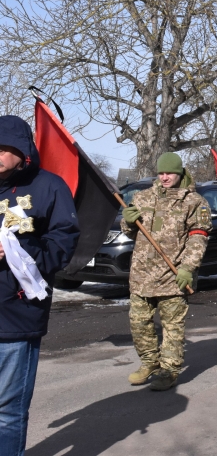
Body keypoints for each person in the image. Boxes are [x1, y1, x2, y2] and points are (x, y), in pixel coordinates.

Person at [0, 116, 80, 454]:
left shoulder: (49, 186)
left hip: (17, 313)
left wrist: (17, 253)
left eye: (6, 148)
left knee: (6, 410)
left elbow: (62, 241)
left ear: (23, 151)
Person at [122, 152, 212, 390]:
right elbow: (130, 232)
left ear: (179, 173)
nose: (164, 177)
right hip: (142, 275)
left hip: (174, 276)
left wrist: (187, 268)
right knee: (139, 323)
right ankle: (149, 362)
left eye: (169, 173)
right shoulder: (142, 197)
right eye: (161, 172)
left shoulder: (194, 202)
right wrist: (128, 221)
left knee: (172, 327)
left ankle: (169, 370)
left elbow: (198, 237)